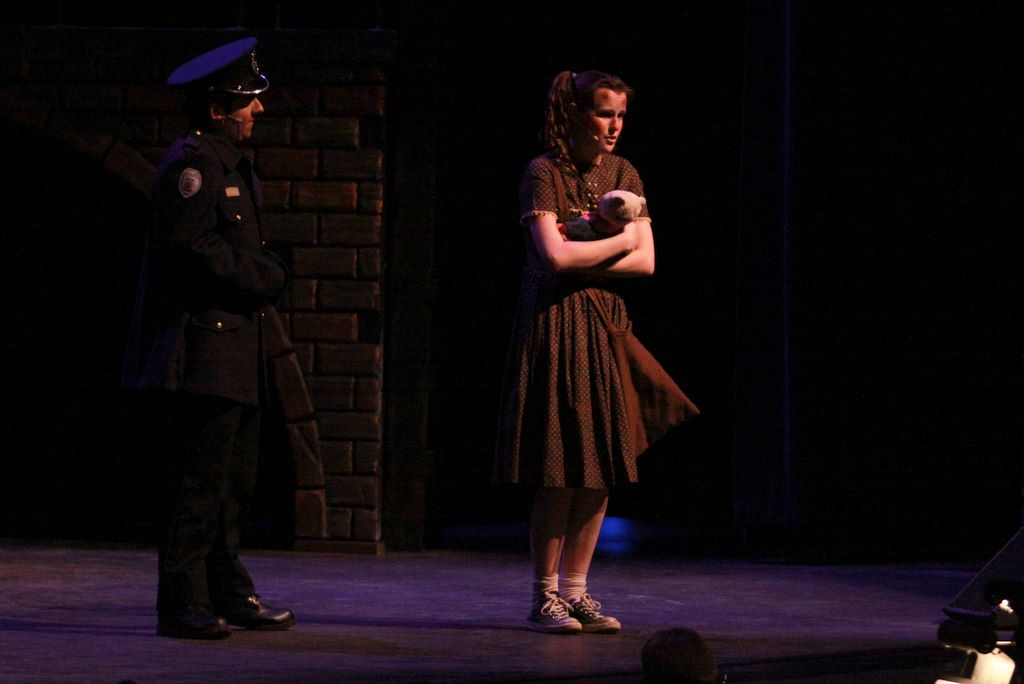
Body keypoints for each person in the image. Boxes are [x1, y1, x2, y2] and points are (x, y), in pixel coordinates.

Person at [122, 36, 295, 639]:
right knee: (198, 485)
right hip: (203, 349)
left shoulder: (227, 162)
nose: (258, 109)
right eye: (248, 101)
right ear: (218, 109)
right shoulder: (192, 166)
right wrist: (265, 275)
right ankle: (182, 603)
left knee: (233, 486)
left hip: (234, 347)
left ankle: (228, 591)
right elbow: (191, 251)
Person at [494, 70, 658, 634]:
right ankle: (546, 595)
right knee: (559, 463)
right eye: (604, 113)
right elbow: (553, 259)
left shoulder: (624, 174)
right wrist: (621, 240)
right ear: (575, 114)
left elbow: (647, 262)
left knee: (599, 463)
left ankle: (577, 590)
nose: (614, 126)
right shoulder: (543, 173)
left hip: (604, 323)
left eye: (620, 116)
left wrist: (597, 244)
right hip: (555, 321)